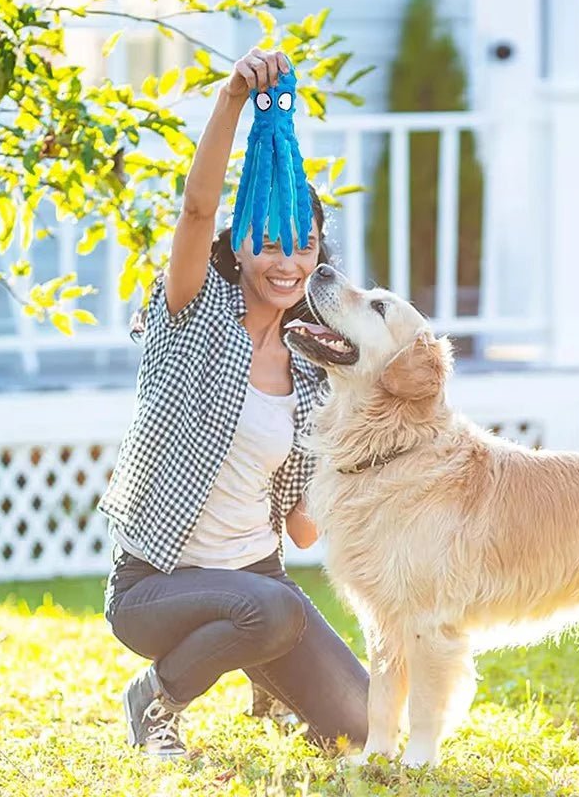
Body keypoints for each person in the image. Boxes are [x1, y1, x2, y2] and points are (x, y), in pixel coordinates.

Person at [98, 47, 369, 758]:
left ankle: (266, 673)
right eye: (271, 243)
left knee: (363, 727)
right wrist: (231, 99)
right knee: (273, 609)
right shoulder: (194, 314)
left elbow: (304, 530)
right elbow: (195, 210)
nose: (288, 262)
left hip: (258, 580)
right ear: (240, 244)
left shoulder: (314, 370)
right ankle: (156, 700)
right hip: (157, 585)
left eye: (305, 247)